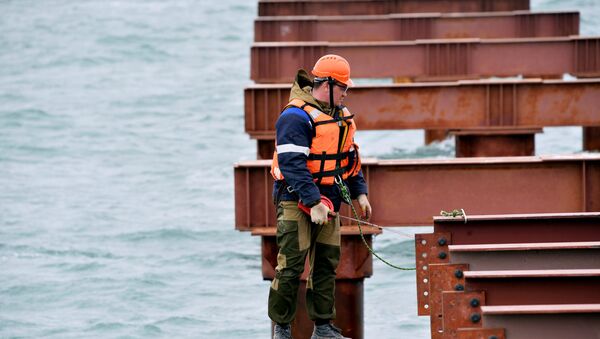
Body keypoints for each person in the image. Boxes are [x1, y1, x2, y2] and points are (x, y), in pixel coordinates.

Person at [268, 54, 372, 339]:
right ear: (326, 85)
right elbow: (291, 165)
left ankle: (323, 328)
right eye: (343, 88)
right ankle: (282, 329)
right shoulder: (295, 117)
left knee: (326, 263)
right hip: (295, 200)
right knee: (290, 265)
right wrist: (313, 202)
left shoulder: (341, 116)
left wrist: (360, 192)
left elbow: (348, 158)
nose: (346, 93)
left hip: (330, 200)